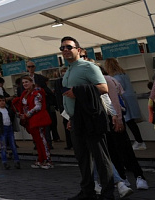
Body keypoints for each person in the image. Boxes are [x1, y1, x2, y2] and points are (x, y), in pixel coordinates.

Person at [60, 36, 115, 200]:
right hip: (76, 118)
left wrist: (77, 91)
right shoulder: (68, 70)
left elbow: (104, 88)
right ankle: (87, 191)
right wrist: (70, 117)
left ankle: (107, 193)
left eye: (69, 47)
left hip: (91, 118)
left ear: (78, 49)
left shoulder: (88, 66)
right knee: (83, 158)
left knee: (100, 157)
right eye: (62, 48)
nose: (65, 50)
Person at [101, 65, 148, 194]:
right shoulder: (110, 79)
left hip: (113, 118)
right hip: (108, 120)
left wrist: (119, 118)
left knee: (123, 150)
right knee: (115, 151)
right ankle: (126, 177)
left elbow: (115, 100)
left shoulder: (106, 80)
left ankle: (137, 176)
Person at [104, 58, 145, 150]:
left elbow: (117, 91)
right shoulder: (124, 74)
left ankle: (139, 141)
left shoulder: (114, 78)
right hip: (131, 98)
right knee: (131, 121)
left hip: (124, 99)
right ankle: (139, 141)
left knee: (128, 121)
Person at [13, 76, 52, 169]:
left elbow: (38, 106)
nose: (25, 84)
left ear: (31, 82)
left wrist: (27, 114)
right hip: (31, 120)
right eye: (23, 83)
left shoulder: (37, 92)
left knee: (42, 139)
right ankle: (41, 158)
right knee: (37, 140)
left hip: (38, 119)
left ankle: (47, 159)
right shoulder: (26, 93)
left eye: (26, 82)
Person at [26, 60, 59, 146]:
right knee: (34, 126)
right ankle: (37, 144)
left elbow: (47, 90)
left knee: (45, 126)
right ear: (27, 68)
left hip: (42, 105)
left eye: (32, 66)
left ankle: (48, 143)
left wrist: (51, 102)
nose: (31, 68)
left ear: (35, 67)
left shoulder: (40, 77)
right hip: (31, 105)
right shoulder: (25, 79)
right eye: (29, 67)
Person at [0, 96, 20, 170]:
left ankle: (17, 161)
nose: (2, 102)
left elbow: (12, 118)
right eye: (0, 101)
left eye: (3, 100)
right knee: (3, 147)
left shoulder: (9, 110)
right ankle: (5, 162)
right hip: (3, 129)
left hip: (9, 128)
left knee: (13, 146)